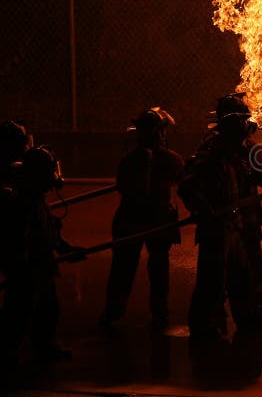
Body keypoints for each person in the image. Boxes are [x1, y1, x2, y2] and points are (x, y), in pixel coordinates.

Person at [179, 93, 262, 340]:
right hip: (216, 228)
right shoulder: (211, 157)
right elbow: (187, 186)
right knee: (212, 279)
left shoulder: (234, 156)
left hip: (235, 225)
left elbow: (253, 175)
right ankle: (203, 324)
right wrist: (204, 209)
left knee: (241, 275)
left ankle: (246, 317)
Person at [98, 108, 184, 329]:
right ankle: (159, 316)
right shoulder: (170, 160)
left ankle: (113, 313)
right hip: (153, 220)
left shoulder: (129, 160)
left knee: (123, 270)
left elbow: (124, 186)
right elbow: (186, 183)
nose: (164, 135)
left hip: (130, 220)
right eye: (162, 130)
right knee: (157, 270)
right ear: (158, 132)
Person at [0, 145, 84, 366]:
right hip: (29, 266)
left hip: (39, 264)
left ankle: (44, 345)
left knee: (47, 308)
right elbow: (20, 236)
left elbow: (48, 230)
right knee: (19, 310)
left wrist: (64, 248)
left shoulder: (35, 198)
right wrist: (22, 266)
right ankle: (8, 352)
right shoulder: (24, 201)